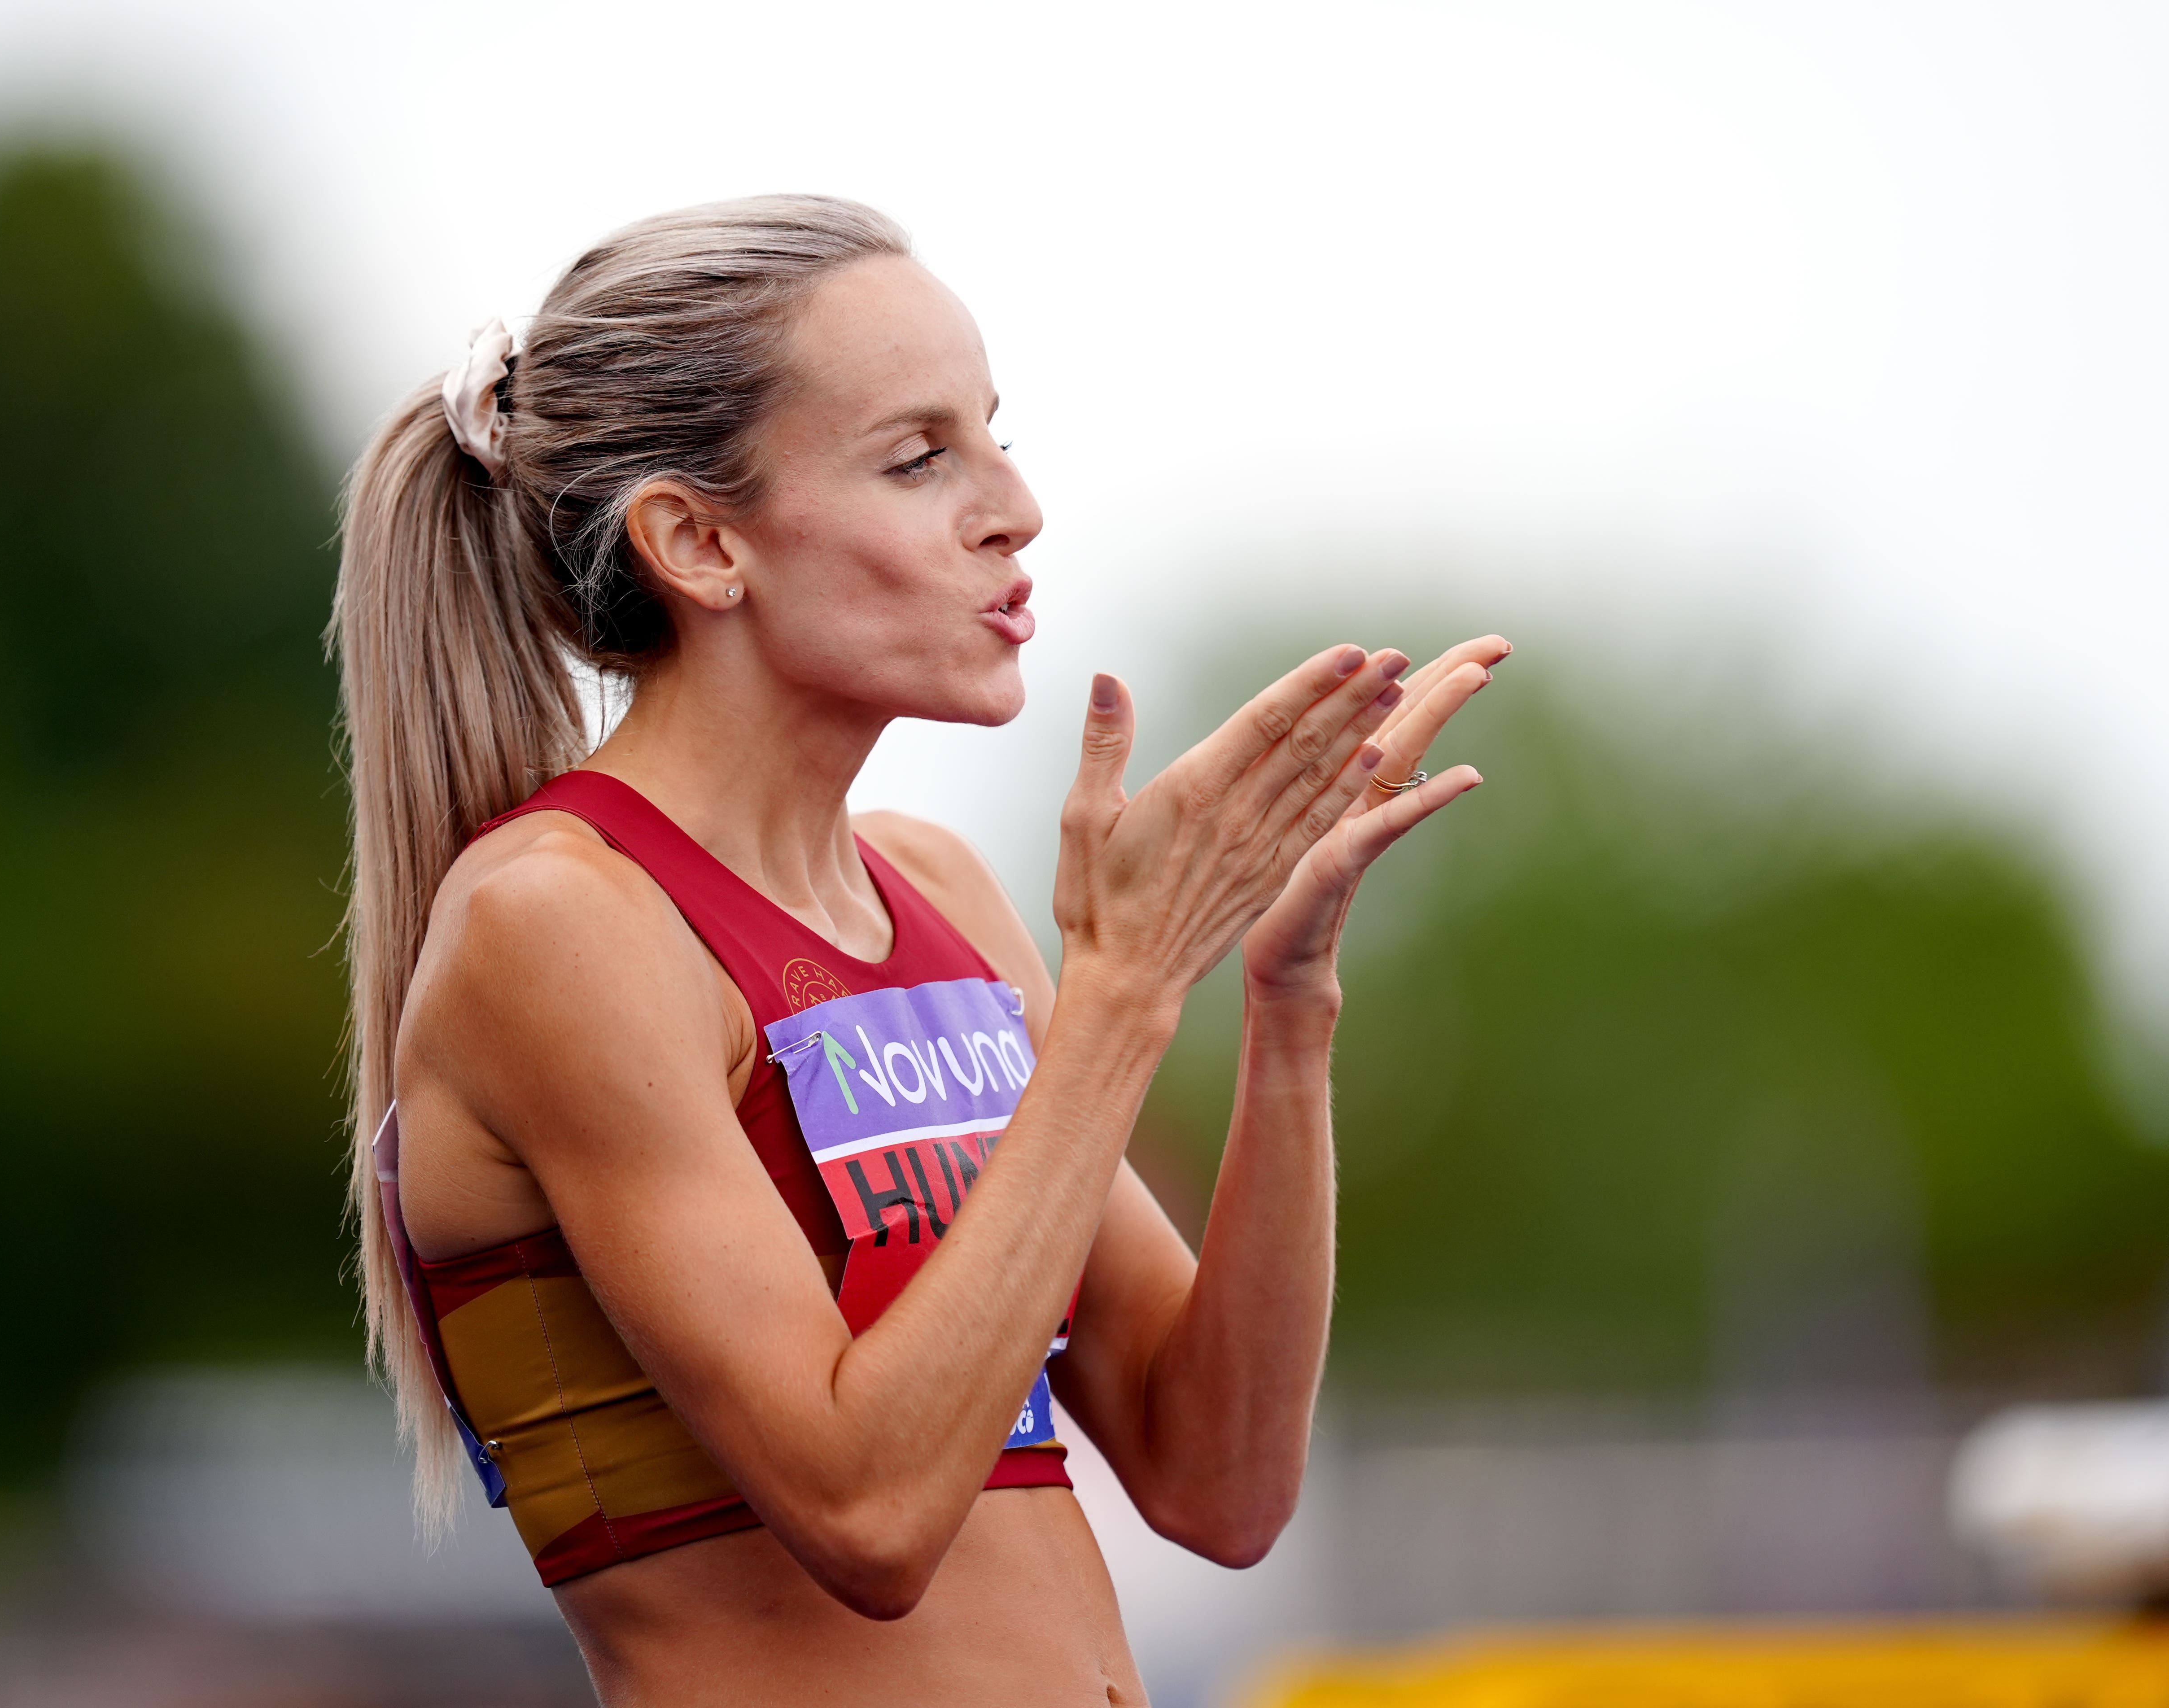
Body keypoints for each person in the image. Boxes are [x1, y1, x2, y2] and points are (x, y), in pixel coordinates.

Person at [330, 195, 1504, 1706]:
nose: (1014, 506)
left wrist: (1284, 1007)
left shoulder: (935, 884)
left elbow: (1217, 1478)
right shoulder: (559, 920)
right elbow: (866, 1512)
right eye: (920, 456)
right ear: (698, 542)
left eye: (996, 434)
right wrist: (1126, 990)